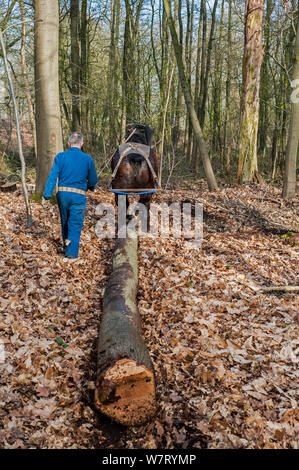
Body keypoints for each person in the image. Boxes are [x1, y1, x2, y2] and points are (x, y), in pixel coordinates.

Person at [43, 132, 98, 259]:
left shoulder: (60, 157)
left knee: (65, 221)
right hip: (78, 196)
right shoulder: (88, 159)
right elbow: (93, 179)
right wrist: (91, 186)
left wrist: (47, 194)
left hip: (62, 195)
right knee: (75, 223)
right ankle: (71, 254)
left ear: (69, 143)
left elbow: (52, 176)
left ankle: (66, 245)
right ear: (82, 143)